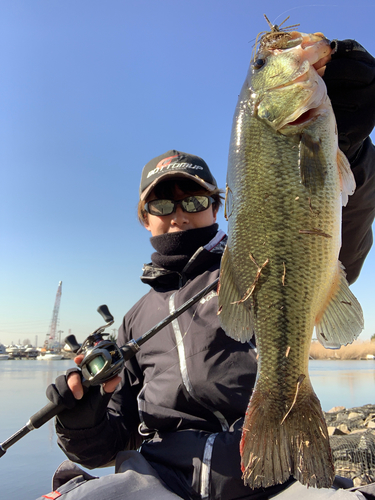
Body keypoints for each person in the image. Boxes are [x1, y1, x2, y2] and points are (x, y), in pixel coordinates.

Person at [38, 39, 375, 500]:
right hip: (160, 477)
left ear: (218, 207)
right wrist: (81, 421)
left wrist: (350, 149)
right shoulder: (135, 320)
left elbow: (336, 239)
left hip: (269, 476)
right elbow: (110, 442)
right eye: (162, 200)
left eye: (194, 198)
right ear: (144, 216)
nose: (179, 210)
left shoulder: (248, 265)